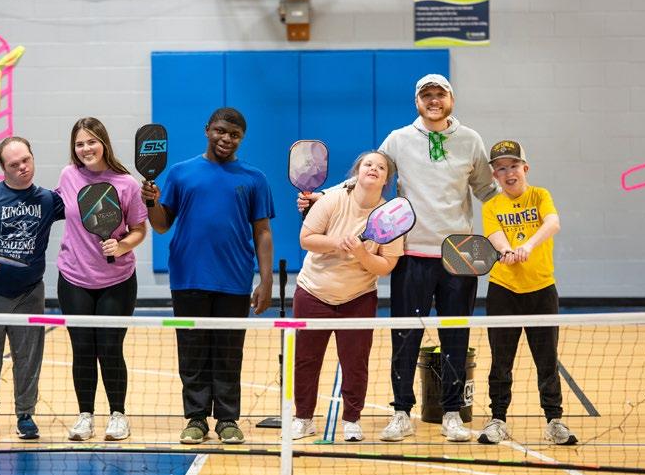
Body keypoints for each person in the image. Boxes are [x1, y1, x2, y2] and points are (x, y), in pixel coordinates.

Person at [299, 74, 499, 442]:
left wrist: (516, 215)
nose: (434, 100)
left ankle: (452, 414)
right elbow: (367, 171)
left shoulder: (471, 140)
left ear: (451, 99)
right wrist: (323, 196)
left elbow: (488, 190)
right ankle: (401, 412)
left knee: (456, 336)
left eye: (440, 94)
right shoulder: (398, 138)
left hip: (458, 255)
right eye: (426, 95)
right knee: (405, 338)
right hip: (411, 253)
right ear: (417, 101)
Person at [142, 107, 274, 445]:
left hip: (234, 279)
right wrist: (151, 203)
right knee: (192, 352)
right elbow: (161, 225)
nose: (226, 139)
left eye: (234, 135)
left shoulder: (254, 178)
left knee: (229, 353)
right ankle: (196, 419)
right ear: (207, 130)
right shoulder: (180, 173)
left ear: (242, 138)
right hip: (188, 278)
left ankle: (228, 420)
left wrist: (266, 280)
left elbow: (262, 231)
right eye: (220, 131)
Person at [0, 136, 65, 442]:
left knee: (29, 359)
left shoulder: (48, 200)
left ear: (33, 157)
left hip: (29, 293)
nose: (23, 168)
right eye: (15, 164)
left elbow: (82, 202)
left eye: (26, 160)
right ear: (3, 168)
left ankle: (25, 415)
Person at [291, 151, 402, 443]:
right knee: (305, 360)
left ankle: (352, 419)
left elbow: (387, 265)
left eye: (381, 167)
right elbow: (306, 238)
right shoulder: (332, 200)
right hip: (313, 292)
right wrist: (337, 243)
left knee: (355, 364)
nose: (374, 169)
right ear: (357, 171)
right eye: (368, 164)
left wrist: (362, 253)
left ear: (387, 179)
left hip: (358, 297)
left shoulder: (389, 217)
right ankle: (303, 418)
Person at [478, 140, 577, 446]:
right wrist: (507, 250)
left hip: (541, 290)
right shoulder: (491, 206)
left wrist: (528, 246)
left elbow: (553, 223)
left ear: (525, 168)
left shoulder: (540, 196)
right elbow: (496, 237)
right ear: (494, 175)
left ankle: (554, 420)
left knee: (547, 360)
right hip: (503, 291)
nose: (509, 173)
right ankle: (497, 419)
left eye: (514, 166)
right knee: (501, 361)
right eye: (501, 168)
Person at [56, 117, 148, 442]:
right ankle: (85, 416)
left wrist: (122, 246)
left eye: (91, 141)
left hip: (117, 281)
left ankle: (118, 415)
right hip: (74, 277)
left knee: (109, 348)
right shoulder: (68, 176)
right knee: (82, 349)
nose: (86, 148)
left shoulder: (126, 183)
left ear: (103, 143)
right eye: (80, 144)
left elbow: (140, 230)